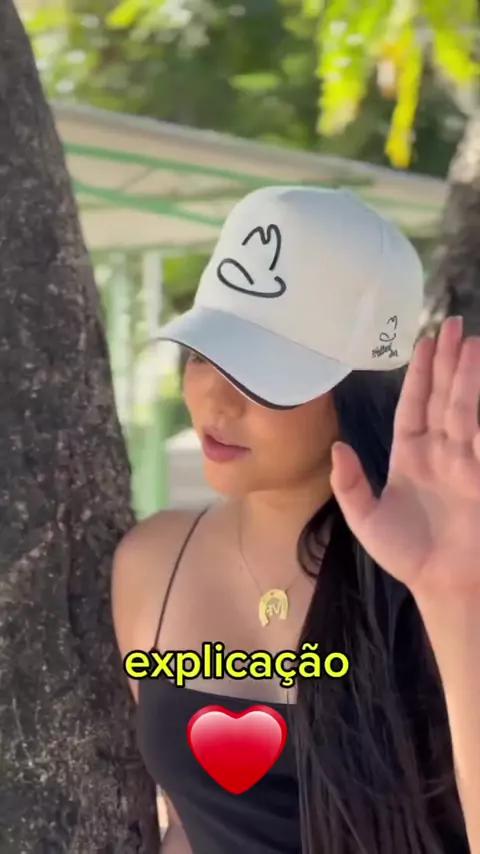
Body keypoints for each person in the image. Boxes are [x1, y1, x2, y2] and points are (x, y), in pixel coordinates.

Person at [111, 186, 480, 854]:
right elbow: (188, 825)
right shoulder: (151, 563)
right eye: (203, 354)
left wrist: (455, 597)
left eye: (263, 372)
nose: (216, 399)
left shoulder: (447, 566)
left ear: (358, 389)